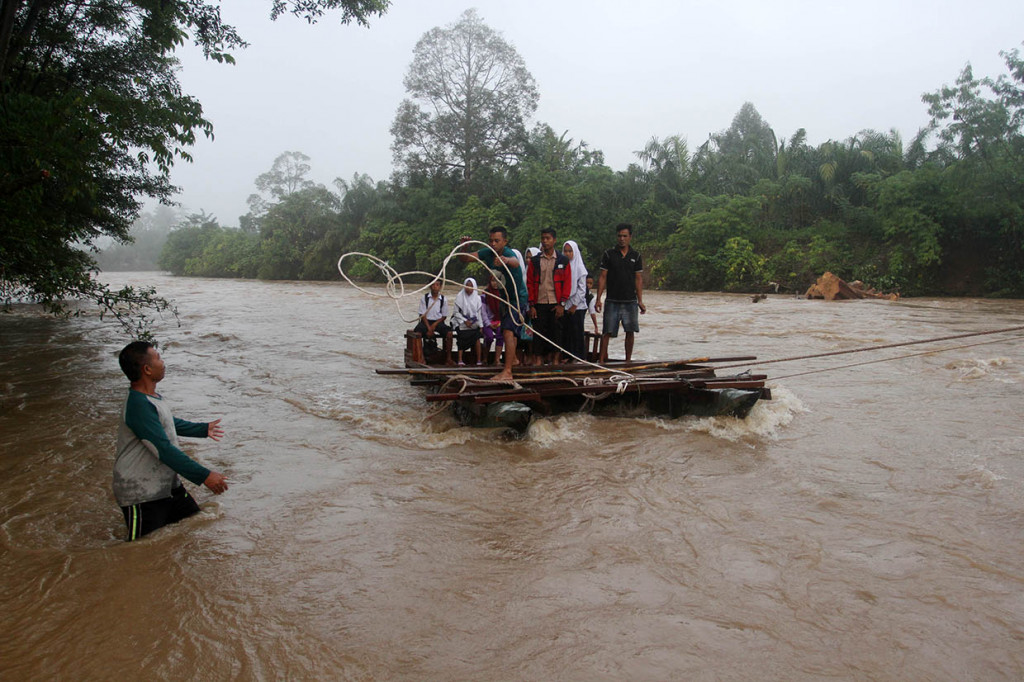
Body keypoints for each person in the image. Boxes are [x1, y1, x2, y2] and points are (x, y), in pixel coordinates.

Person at [113, 341, 228, 541]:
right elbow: (163, 450)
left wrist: (201, 429)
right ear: (147, 369)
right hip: (142, 494)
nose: (163, 362)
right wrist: (204, 476)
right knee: (138, 553)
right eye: (158, 358)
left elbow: (167, 422)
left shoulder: (151, 398)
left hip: (167, 487)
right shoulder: (138, 404)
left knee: (194, 531)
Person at [458, 226, 529, 381]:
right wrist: (465, 247)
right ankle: (514, 360)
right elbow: (465, 258)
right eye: (491, 241)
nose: (493, 244)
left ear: (505, 241)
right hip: (504, 299)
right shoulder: (487, 253)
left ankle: (508, 371)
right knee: (510, 331)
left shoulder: (508, 253)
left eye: (497, 241)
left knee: (509, 332)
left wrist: (506, 260)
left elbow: (516, 262)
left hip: (517, 299)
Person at [595, 223, 647, 363]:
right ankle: (601, 361)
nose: (622, 239)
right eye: (619, 236)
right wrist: (598, 298)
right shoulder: (609, 254)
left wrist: (640, 301)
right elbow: (603, 277)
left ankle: (627, 361)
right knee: (607, 331)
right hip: (612, 299)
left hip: (630, 300)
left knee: (630, 331)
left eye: (625, 236)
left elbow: (638, 279)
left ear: (630, 237)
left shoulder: (635, 256)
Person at [526, 227, 571, 365]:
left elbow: (567, 283)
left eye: (548, 238)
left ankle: (556, 362)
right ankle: (538, 362)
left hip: (555, 303)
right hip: (539, 303)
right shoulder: (534, 261)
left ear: (554, 240)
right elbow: (530, 283)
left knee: (556, 333)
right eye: (543, 238)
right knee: (538, 335)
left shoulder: (562, 260)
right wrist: (532, 305)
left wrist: (562, 304)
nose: (545, 241)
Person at [414, 279, 454, 365]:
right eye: (433, 285)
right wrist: (429, 328)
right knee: (418, 333)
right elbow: (423, 315)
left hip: (438, 322)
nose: (435, 287)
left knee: (449, 333)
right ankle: (421, 357)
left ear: (440, 287)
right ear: (430, 286)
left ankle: (448, 358)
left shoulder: (443, 299)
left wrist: (434, 325)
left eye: (437, 285)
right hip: (426, 322)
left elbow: (444, 316)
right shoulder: (424, 298)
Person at [560, 239, 588, 363]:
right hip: (565, 304)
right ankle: (566, 356)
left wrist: (575, 305)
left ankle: (579, 357)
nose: (567, 254)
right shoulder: (562, 266)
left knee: (577, 332)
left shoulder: (580, 268)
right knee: (566, 332)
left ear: (575, 252)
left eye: (570, 251)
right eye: (565, 251)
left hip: (578, 306)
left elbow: (582, 289)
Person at [451, 277, 484, 366]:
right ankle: (460, 359)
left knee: (477, 337)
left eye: (471, 286)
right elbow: (456, 313)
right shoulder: (459, 296)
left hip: (473, 322)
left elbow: (479, 313)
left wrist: (481, 326)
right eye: (467, 285)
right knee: (461, 336)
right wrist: (465, 321)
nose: (469, 288)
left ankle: (479, 359)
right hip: (461, 322)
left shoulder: (478, 298)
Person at [480, 274, 505, 365]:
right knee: (489, 337)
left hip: (499, 320)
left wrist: (501, 322)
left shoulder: (503, 294)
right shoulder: (485, 294)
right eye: (493, 281)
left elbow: (505, 310)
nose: (495, 283)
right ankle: (485, 358)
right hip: (488, 321)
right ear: (490, 282)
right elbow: (483, 312)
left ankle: (497, 359)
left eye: (497, 281)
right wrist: (488, 323)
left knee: (500, 335)